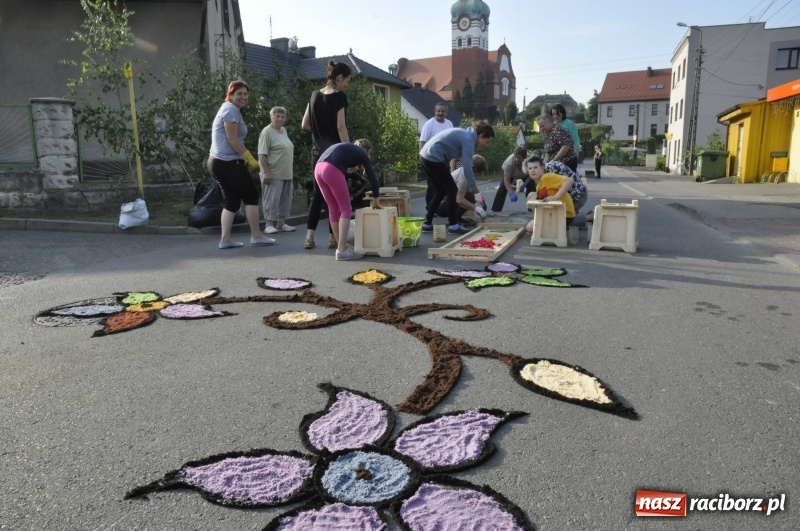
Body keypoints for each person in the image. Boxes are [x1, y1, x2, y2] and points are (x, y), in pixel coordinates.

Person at [207, 80, 276, 250]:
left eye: (245, 94)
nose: (243, 97)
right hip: (227, 162)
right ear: (230, 95)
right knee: (251, 195)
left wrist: (243, 157)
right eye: (239, 94)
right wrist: (250, 158)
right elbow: (232, 139)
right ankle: (256, 236)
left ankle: (225, 240)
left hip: (218, 162)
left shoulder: (231, 109)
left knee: (231, 201)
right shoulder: (230, 109)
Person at [301, 60, 351, 250]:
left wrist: (319, 133)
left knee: (317, 195)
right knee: (336, 197)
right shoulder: (339, 97)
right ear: (339, 78)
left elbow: (304, 124)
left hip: (317, 154)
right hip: (334, 155)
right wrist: (348, 150)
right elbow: (340, 126)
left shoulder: (314, 95)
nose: (347, 85)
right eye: (347, 80)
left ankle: (309, 237)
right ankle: (333, 238)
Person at [419, 121, 495, 235]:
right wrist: (476, 192)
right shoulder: (468, 139)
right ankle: (453, 226)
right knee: (452, 191)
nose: (486, 145)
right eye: (487, 141)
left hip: (425, 156)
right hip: (433, 157)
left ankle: (427, 224)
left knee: (440, 191)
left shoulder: (465, 134)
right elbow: (468, 168)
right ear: (481, 136)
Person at [314, 140, 381, 261]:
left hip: (318, 168)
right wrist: (376, 199)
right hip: (331, 168)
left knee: (333, 208)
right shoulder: (363, 153)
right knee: (346, 208)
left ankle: (341, 246)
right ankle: (342, 249)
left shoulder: (348, 149)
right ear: (369, 151)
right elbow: (373, 179)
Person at [258, 106, 295, 234]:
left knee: (285, 199)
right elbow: (262, 154)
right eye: (277, 116)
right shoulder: (267, 132)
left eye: (282, 116)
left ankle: (281, 223)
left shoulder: (283, 130)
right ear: (271, 117)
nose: (280, 119)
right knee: (271, 199)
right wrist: (266, 172)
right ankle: (268, 224)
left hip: (286, 172)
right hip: (273, 172)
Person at [523, 156, 576, 234]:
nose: (532, 170)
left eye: (535, 167)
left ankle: (544, 226)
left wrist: (556, 197)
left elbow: (570, 180)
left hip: (565, 216)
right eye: (530, 168)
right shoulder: (538, 185)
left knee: (530, 228)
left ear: (542, 168)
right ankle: (539, 220)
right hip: (554, 214)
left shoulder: (546, 177)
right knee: (532, 195)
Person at [419, 103, 455, 206]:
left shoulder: (449, 124)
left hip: (443, 159)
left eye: (443, 111)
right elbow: (422, 141)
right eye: (438, 111)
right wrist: (421, 158)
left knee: (443, 185)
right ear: (435, 112)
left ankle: (439, 207)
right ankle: (429, 206)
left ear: (446, 113)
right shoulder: (429, 124)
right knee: (432, 185)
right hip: (430, 159)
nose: (440, 113)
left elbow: (452, 141)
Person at [435, 154, 488, 223]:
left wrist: (480, 198)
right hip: (440, 206)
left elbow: (473, 189)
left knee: (472, 196)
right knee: (468, 198)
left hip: (445, 201)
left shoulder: (467, 172)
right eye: (480, 172)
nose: (479, 174)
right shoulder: (464, 176)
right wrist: (477, 208)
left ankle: (456, 218)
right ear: (476, 169)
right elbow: (459, 200)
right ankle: (454, 220)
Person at [489, 146, 528, 214]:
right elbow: (506, 180)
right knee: (503, 187)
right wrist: (511, 193)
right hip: (511, 173)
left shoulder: (529, 161)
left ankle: (533, 209)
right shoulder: (509, 162)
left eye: (519, 157)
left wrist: (525, 184)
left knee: (531, 187)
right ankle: (496, 210)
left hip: (525, 174)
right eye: (515, 157)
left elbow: (532, 175)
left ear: (524, 158)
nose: (517, 159)